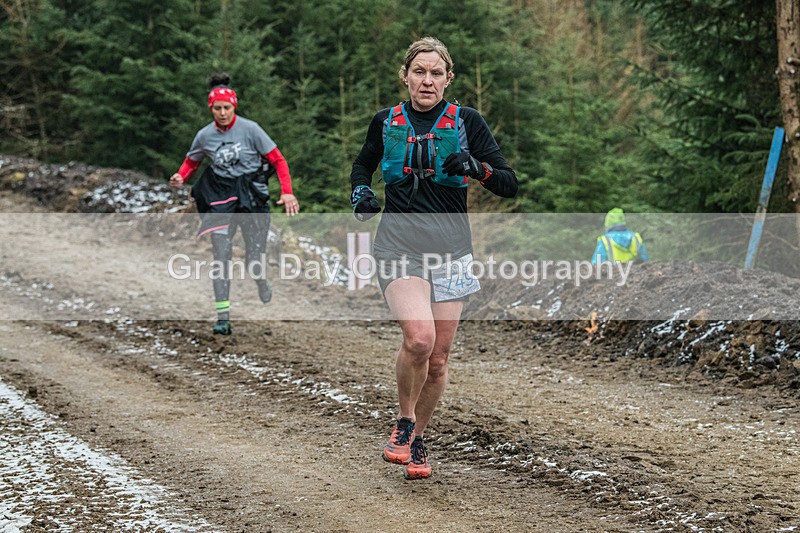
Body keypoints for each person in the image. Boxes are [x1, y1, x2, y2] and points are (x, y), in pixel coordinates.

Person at [350, 37, 518, 480]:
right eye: (419, 72)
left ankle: (419, 437)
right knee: (420, 340)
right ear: (405, 76)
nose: (427, 80)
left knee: (439, 359)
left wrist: (475, 167)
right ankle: (404, 423)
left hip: (452, 252)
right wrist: (361, 193)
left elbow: (508, 183)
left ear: (448, 78)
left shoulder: (467, 122)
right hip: (398, 246)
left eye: (436, 73)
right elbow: (362, 165)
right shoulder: (385, 121)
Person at [170, 73, 300, 335]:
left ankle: (261, 280)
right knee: (221, 255)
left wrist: (287, 192)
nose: (221, 113)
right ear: (211, 109)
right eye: (216, 108)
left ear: (234, 107)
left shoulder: (250, 129)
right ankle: (223, 317)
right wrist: (180, 176)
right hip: (221, 197)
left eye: (226, 108)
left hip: (251, 195)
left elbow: (278, 160)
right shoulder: (204, 135)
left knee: (254, 258)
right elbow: (193, 161)